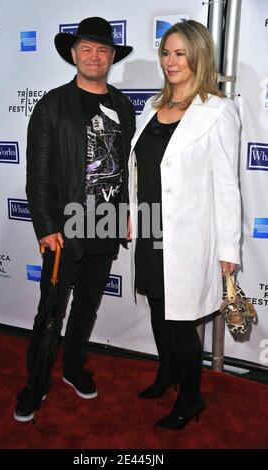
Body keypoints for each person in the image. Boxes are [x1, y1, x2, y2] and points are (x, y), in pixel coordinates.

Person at [14, 17, 135, 422]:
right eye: (86, 48)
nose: (94, 56)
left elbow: (124, 171)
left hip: (105, 225)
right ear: (73, 54)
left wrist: (126, 216)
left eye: (102, 49)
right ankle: (35, 384)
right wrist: (45, 226)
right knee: (51, 310)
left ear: (112, 57)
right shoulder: (51, 104)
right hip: (64, 229)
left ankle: (73, 368)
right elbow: (38, 173)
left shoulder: (122, 105)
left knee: (86, 305)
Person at [128, 20, 241, 429]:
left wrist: (229, 249)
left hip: (188, 236)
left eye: (180, 53)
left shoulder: (218, 110)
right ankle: (167, 373)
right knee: (159, 309)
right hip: (149, 228)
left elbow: (228, 185)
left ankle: (192, 399)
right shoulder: (152, 106)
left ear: (198, 57)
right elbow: (139, 170)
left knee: (180, 323)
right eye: (166, 52)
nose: (170, 61)